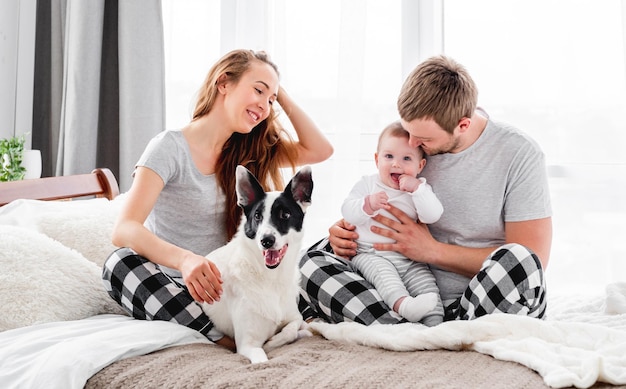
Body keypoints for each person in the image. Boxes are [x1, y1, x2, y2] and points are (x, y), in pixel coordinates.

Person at [102, 49, 333, 351]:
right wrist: (186, 260)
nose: (264, 106)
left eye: (271, 100)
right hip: (186, 290)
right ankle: (222, 338)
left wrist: (277, 90)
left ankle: (279, 322)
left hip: (241, 286)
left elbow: (320, 150)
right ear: (224, 82)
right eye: (258, 90)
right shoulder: (168, 148)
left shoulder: (253, 152)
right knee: (119, 265)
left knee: (321, 253)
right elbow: (125, 229)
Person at [299, 55, 552, 325]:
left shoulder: (518, 153)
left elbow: (533, 258)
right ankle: (409, 330)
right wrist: (343, 235)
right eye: (408, 130)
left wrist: (430, 250)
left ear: (462, 125)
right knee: (311, 263)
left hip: (479, 299)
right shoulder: (411, 142)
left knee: (520, 261)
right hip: (398, 291)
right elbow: (374, 200)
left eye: (424, 139)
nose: (411, 143)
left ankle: (426, 332)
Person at [341, 121, 444, 326]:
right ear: (377, 159)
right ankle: (405, 307)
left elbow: (433, 215)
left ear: (420, 166)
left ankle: (435, 322)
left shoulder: (420, 189)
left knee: (426, 283)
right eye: (389, 157)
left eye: (406, 158)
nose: (396, 164)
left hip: (410, 257)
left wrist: (417, 190)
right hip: (371, 253)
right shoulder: (368, 184)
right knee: (386, 278)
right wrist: (367, 204)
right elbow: (347, 211)